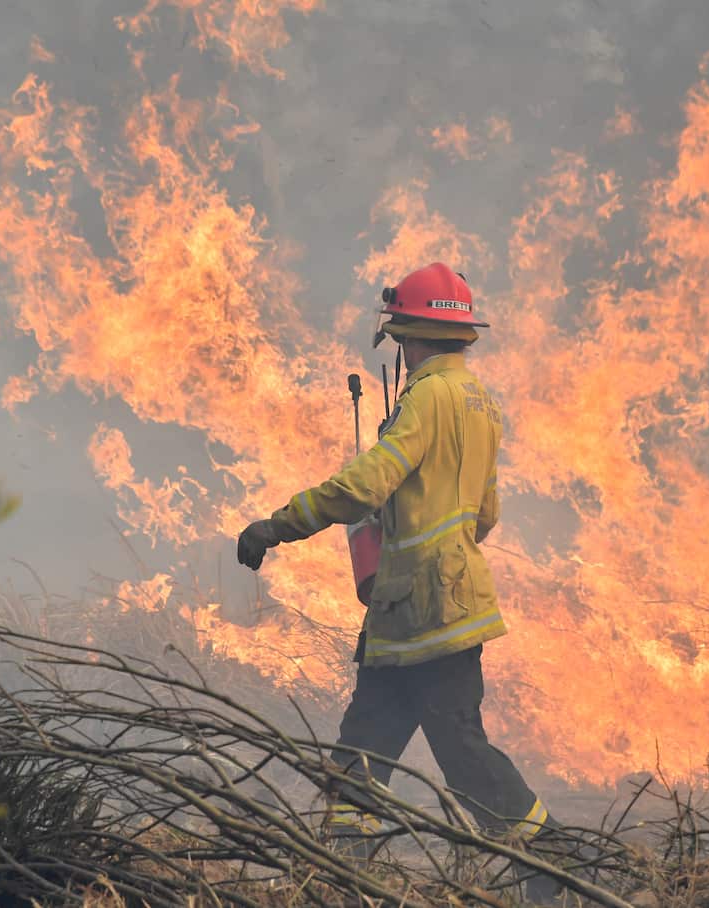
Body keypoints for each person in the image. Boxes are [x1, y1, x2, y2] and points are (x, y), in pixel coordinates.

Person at [236, 263, 552, 853]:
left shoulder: (426, 399)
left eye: (401, 338)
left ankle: (556, 866)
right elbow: (484, 514)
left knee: (462, 755)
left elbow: (363, 485)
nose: (401, 350)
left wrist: (277, 526)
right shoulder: (483, 403)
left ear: (410, 334)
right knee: (362, 747)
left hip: (424, 615)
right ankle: (344, 874)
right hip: (421, 611)